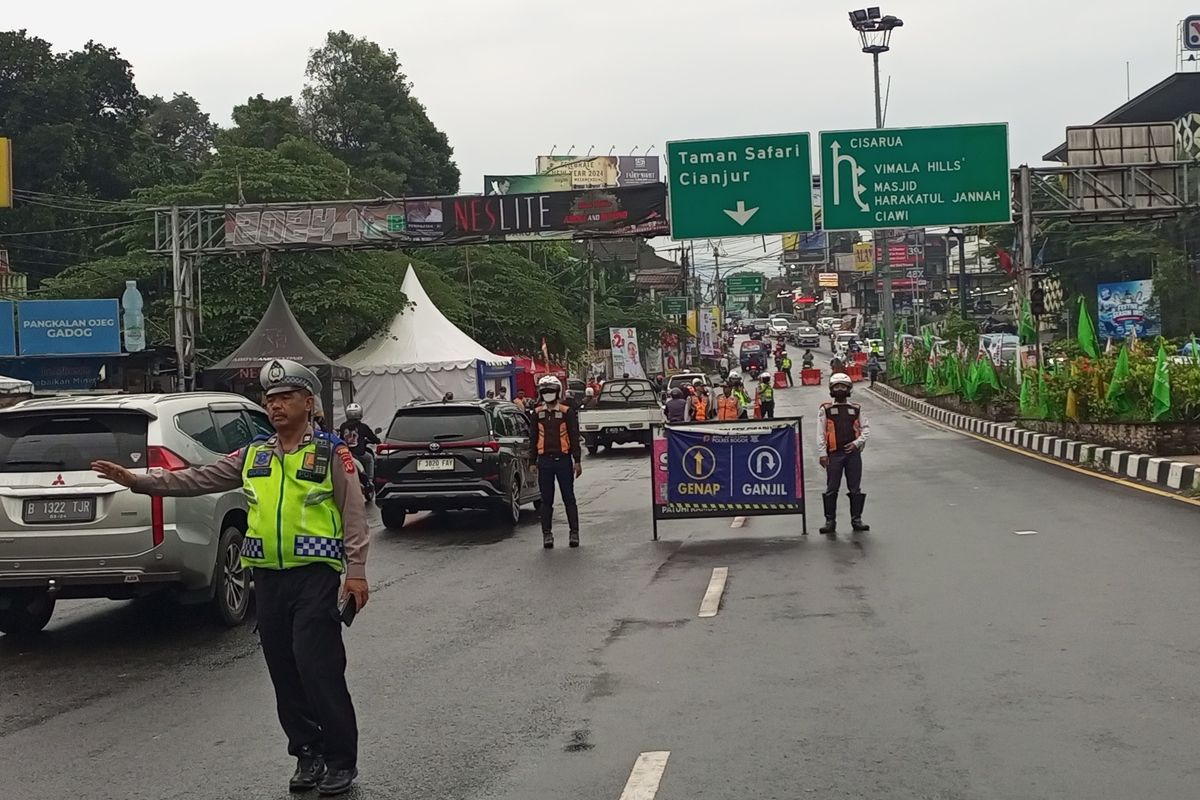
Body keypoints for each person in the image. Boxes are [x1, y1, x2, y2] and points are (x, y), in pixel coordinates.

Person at [91, 359, 369, 796]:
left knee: (319, 668)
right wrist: (140, 481)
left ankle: (340, 760)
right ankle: (307, 753)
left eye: (285, 398)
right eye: (270, 399)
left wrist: (356, 573)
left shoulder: (332, 454)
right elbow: (198, 478)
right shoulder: (254, 454)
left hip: (315, 577)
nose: (274, 406)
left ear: (308, 403)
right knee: (283, 670)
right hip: (268, 581)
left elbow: (354, 516)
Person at [530, 375, 583, 548]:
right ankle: (547, 534)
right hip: (544, 461)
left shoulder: (567, 412)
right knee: (546, 500)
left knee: (569, 497)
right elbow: (533, 438)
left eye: (551, 391)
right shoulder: (537, 413)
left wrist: (577, 460)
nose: (548, 394)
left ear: (558, 392)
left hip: (564, 460)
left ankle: (574, 533)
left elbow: (574, 436)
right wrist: (532, 461)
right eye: (544, 391)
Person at [816, 372, 871, 538]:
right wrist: (822, 453)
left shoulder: (856, 409)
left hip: (853, 454)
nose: (840, 389)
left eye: (843, 387)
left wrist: (857, 443)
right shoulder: (826, 410)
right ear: (831, 390)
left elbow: (866, 428)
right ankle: (830, 521)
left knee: (855, 488)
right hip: (834, 454)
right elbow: (820, 432)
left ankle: (857, 520)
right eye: (836, 387)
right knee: (832, 488)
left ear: (849, 389)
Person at [337, 402, 381, 487]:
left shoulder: (343, 426)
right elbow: (372, 437)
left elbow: (341, 439)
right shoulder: (363, 426)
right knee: (370, 459)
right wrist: (378, 441)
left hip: (347, 453)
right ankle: (370, 480)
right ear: (360, 414)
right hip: (360, 453)